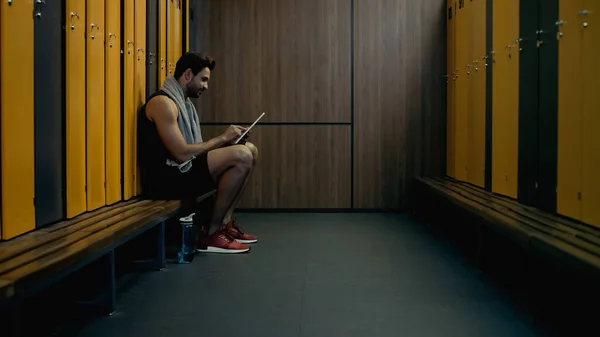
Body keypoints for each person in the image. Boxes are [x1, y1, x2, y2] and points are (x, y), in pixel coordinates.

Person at [137, 52, 258, 254]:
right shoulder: (163, 104)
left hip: (182, 172)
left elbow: (191, 152)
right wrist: (222, 138)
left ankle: (224, 225)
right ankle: (211, 234)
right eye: (203, 79)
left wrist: (228, 141)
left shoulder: (184, 104)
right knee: (242, 156)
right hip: (166, 181)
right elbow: (182, 154)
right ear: (187, 74)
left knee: (250, 150)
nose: (205, 86)